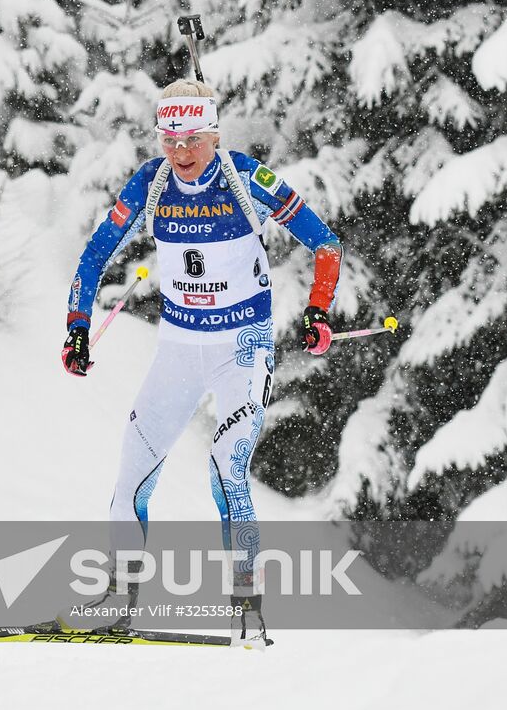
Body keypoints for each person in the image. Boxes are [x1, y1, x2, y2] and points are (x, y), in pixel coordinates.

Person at [59, 79, 342, 648]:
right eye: (170, 140)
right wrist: (77, 329)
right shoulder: (151, 182)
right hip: (180, 349)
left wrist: (316, 311)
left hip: (244, 347)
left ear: (214, 133)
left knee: (223, 471)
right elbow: (93, 256)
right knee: (130, 474)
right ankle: (121, 597)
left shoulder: (247, 179)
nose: (182, 153)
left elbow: (325, 243)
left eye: (193, 139)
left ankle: (246, 607)